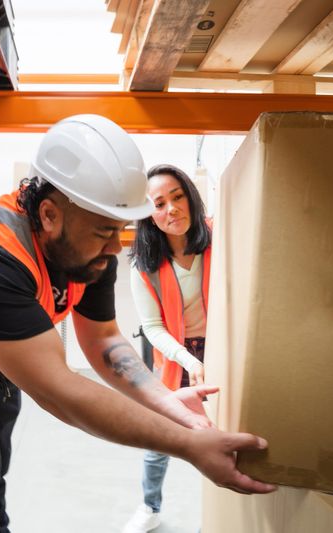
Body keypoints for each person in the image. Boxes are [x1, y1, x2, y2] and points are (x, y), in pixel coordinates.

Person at [0, 114, 275, 533]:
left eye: (120, 230)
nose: (113, 247)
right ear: (49, 214)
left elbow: (105, 342)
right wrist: (188, 444)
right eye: (104, 231)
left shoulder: (87, 248)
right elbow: (59, 390)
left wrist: (168, 404)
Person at [123, 164, 211, 533]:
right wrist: (188, 359)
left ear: (190, 197)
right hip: (177, 356)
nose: (171, 209)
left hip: (226, 347)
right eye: (159, 203)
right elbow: (153, 328)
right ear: (149, 214)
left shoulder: (221, 240)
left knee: (231, 425)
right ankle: (149, 507)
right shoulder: (144, 266)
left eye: (177, 197)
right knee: (160, 434)